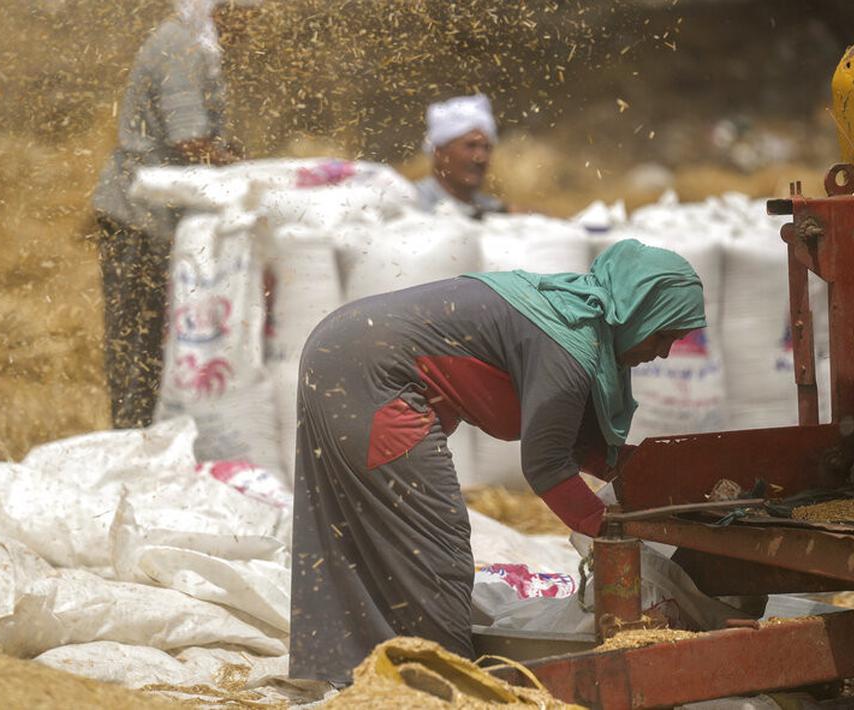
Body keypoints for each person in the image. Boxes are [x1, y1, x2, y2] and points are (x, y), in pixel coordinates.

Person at [289, 239, 706, 684]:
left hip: (342, 350)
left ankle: (358, 676)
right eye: (663, 334)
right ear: (636, 310)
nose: (663, 353)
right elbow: (547, 465)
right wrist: (616, 529)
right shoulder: (568, 344)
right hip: (369, 374)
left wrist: (665, 480)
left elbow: (577, 444)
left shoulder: (574, 316)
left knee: (359, 536)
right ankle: (439, 687)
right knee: (435, 550)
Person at [92, 0, 259, 429]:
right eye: (246, 10)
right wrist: (248, 173)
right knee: (138, 334)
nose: (252, 21)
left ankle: (156, 430)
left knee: (160, 333)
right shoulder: (179, 46)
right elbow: (190, 139)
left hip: (160, 218)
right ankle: (133, 435)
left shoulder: (197, 45)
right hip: (137, 217)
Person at [414, 94, 508, 219]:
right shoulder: (412, 201)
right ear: (439, 152)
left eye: (486, 148)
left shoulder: (492, 207)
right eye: (470, 146)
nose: (480, 157)